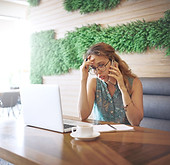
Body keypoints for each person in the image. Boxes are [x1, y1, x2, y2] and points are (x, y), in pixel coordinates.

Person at [78, 42, 143, 126]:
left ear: (113, 62)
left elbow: (135, 121)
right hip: (100, 136)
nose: (98, 72)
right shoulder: (94, 83)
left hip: (126, 137)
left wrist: (122, 88)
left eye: (101, 65)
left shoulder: (134, 83)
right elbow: (82, 116)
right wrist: (83, 79)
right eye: (94, 68)